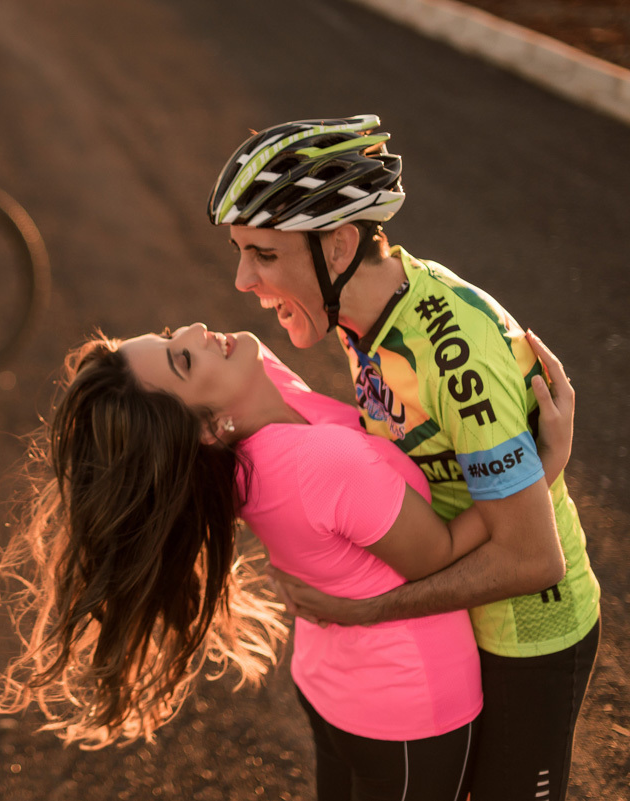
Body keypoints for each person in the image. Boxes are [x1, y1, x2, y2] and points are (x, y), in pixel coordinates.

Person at [0, 322, 573, 800]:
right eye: (182, 361)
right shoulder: (322, 461)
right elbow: (436, 555)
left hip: (333, 691)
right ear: (211, 427)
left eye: (169, 338)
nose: (193, 329)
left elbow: (276, 343)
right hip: (409, 711)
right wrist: (542, 465)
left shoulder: (255, 438)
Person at [206, 114, 600, 801]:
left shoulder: (455, 356)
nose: (243, 280)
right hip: (464, 612)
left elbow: (532, 558)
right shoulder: (367, 313)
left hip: (528, 631)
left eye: (264, 255)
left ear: (337, 247)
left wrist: (370, 610)